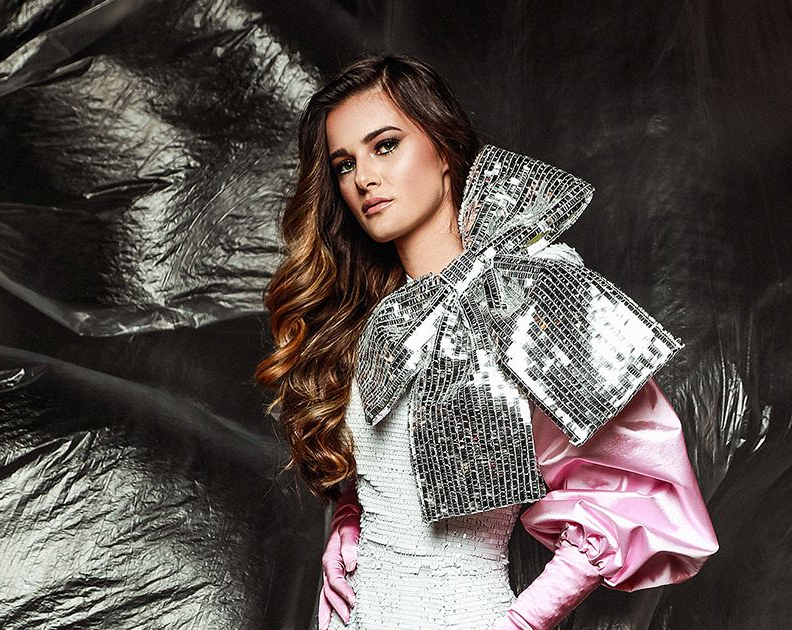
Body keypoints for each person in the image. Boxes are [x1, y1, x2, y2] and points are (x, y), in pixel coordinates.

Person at [255, 52, 719, 630]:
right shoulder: (373, 317)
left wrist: (525, 621)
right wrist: (350, 522)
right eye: (344, 163)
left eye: (386, 145)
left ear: (444, 149)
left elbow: (632, 493)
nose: (363, 178)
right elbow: (389, 474)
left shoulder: (525, 293)